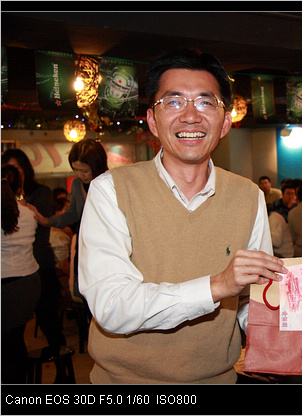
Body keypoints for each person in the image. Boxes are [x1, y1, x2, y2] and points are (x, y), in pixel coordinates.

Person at [78, 48, 287, 384]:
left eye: (206, 102)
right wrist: (216, 286)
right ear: (152, 120)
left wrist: (283, 330)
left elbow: (251, 298)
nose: (191, 116)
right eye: (174, 102)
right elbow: (112, 305)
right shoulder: (111, 190)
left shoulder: (248, 195)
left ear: (225, 123)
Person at [2, 148, 66, 353]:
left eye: (16, 168)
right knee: (14, 334)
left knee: (49, 323)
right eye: (8, 168)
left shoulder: (39, 194)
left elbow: (39, 229)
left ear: (25, 169)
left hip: (39, 266)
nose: (13, 173)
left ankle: (60, 362)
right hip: (24, 273)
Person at [32, 138, 108, 300]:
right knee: (87, 293)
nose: (80, 175)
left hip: (107, 244)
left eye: (85, 171)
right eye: (76, 170)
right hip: (86, 243)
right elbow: (72, 213)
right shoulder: (76, 184)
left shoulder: (110, 181)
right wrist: (47, 221)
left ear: (97, 166)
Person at [1, 165, 41, 383]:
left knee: (6, 346)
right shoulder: (28, 213)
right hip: (28, 283)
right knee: (15, 339)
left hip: (5, 286)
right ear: (19, 187)